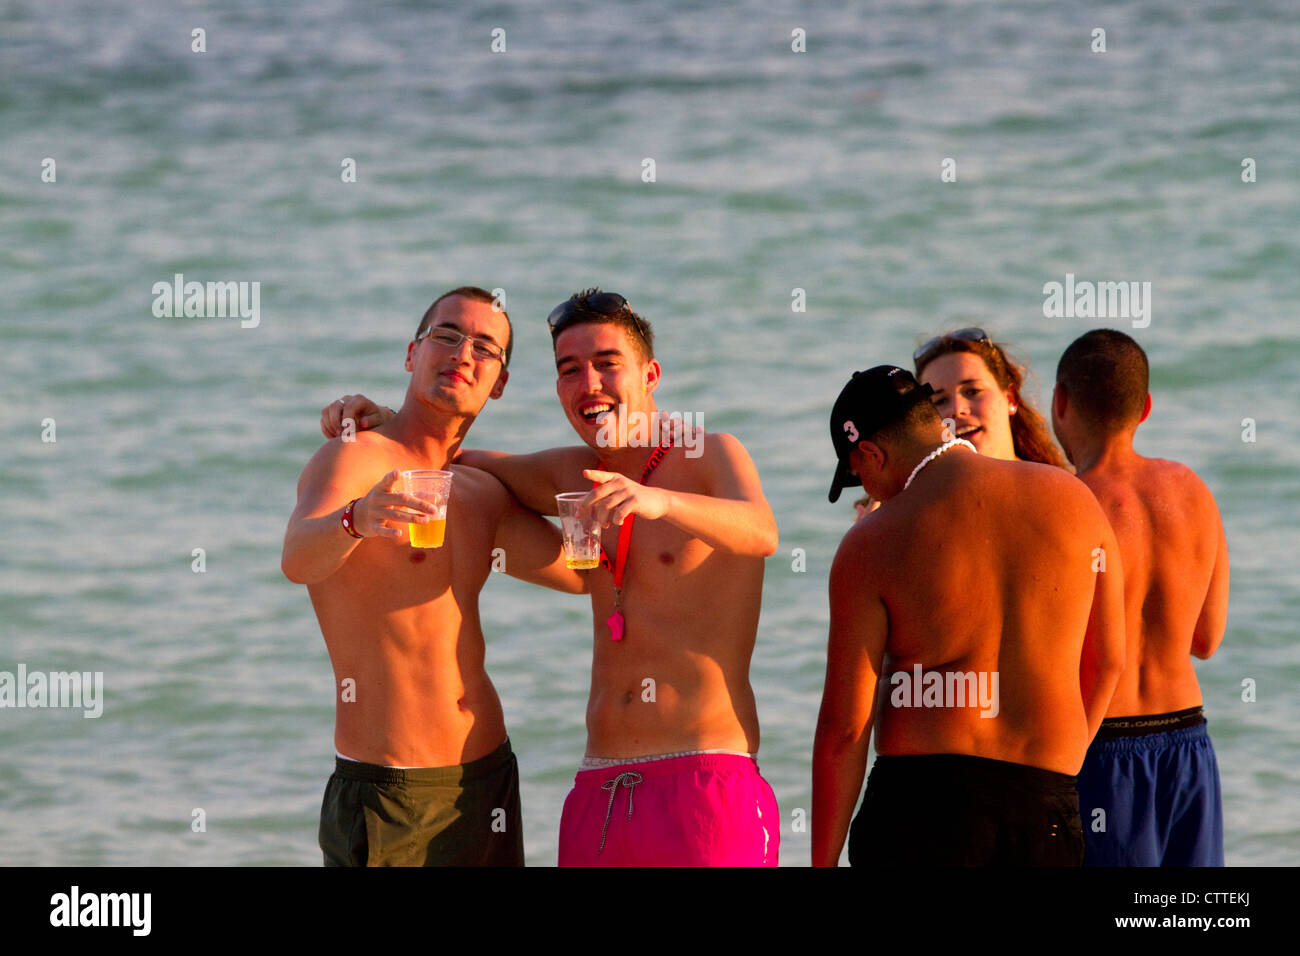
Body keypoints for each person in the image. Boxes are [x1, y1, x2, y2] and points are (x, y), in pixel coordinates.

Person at [321, 288, 781, 866]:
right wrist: (388, 421)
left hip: (703, 776)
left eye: (607, 364)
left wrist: (660, 502)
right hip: (598, 788)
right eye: (569, 370)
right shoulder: (570, 470)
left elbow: (761, 532)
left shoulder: (710, 453)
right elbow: (454, 463)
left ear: (650, 373)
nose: (589, 383)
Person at [283, 286, 585, 867]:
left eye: (484, 347)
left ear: (498, 383)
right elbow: (297, 558)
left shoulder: (479, 492)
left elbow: (584, 577)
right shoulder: (353, 459)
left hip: (487, 776)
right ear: (411, 354)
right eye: (446, 335)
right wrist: (357, 518)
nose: (462, 353)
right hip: (390, 790)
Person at [812, 365, 1127, 867]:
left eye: (858, 475)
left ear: (870, 453)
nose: (865, 489)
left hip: (918, 814)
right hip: (1043, 808)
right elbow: (1109, 659)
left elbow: (845, 729)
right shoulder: (1075, 500)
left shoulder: (872, 542)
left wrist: (821, 862)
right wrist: (1055, 773)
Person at [1053, 329, 1229, 866]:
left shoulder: (1069, 504)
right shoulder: (1193, 490)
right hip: (1189, 743)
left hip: (1105, 750)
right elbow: (1206, 639)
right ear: (1146, 407)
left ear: (1060, 403)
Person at [852, 327, 1067, 519]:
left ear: (1010, 398)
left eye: (973, 391)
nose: (957, 409)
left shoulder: (1061, 491)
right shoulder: (906, 514)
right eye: (940, 400)